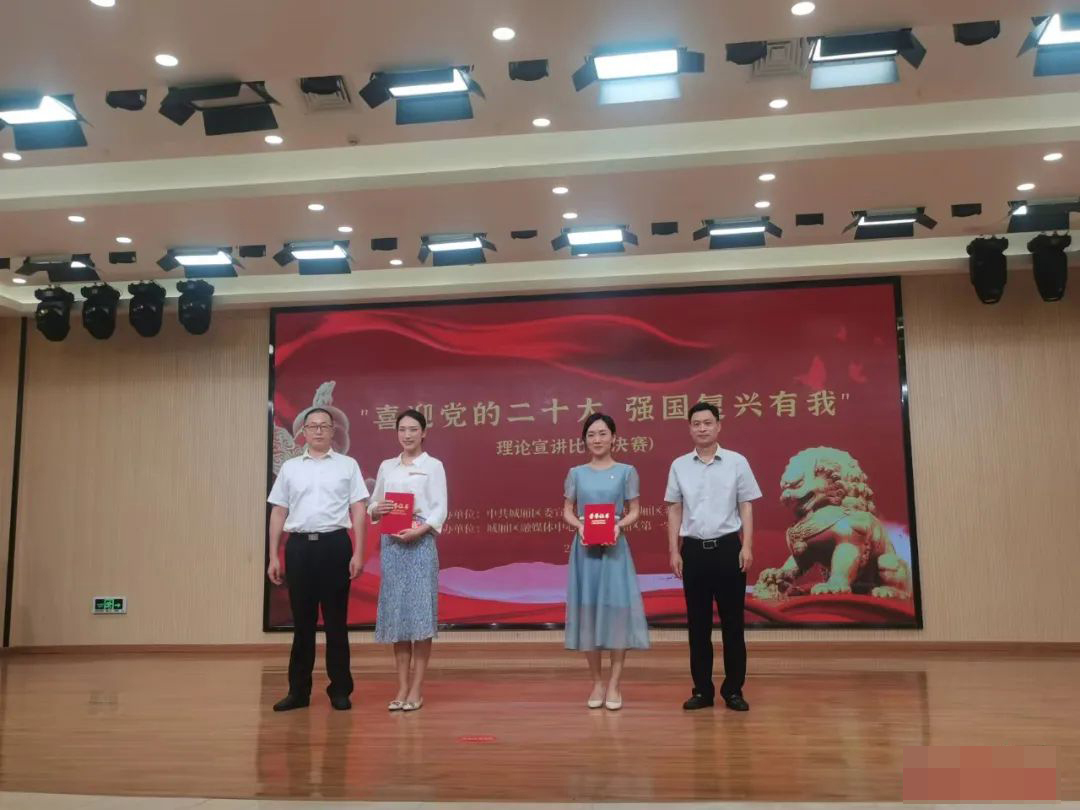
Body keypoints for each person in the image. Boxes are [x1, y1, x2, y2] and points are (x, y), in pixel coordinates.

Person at [267, 407, 368, 711]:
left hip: (335, 546)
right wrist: (273, 555)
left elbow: (359, 509)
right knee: (303, 624)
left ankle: (340, 690)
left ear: (333, 430)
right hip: (299, 548)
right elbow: (279, 511)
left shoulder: (348, 465)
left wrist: (359, 552)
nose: (319, 430)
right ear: (304, 432)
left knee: (336, 621)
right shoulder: (290, 468)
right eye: (313, 426)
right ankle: (298, 692)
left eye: (325, 425)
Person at [665, 401, 761, 712]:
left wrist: (747, 545)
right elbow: (674, 508)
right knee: (698, 625)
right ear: (690, 428)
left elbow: (746, 505)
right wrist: (674, 550)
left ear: (719, 426)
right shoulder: (679, 465)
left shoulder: (736, 462)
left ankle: (733, 690)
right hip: (693, 550)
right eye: (696, 423)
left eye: (708, 422)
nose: (702, 428)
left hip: (729, 549)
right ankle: (702, 691)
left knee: (733, 624)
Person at [562, 412, 649, 711]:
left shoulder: (627, 472)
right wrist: (580, 526)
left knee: (617, 612)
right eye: (591, 435)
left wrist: (618, 525)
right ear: (584, 440)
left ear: (614, 438)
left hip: (614, 548)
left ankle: (614, 683)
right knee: (588, 612)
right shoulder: (576, 473)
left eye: (602, 433)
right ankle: (597, 682)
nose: (597, 439)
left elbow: (634, 510)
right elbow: (567, 510)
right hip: (585, 549)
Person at [369, 409, 448, 712]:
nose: (407, 435)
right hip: (392, 545)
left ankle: (416, 688)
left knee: (419, 616)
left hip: (420, 543)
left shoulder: (433, 466)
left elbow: (440, 508)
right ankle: (401, 686)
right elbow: (373, 504)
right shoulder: (386, 466)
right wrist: (378, 508)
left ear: (424, 432)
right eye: (402, 429)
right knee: (398, 616)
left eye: (413, 429)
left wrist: (420, 530)